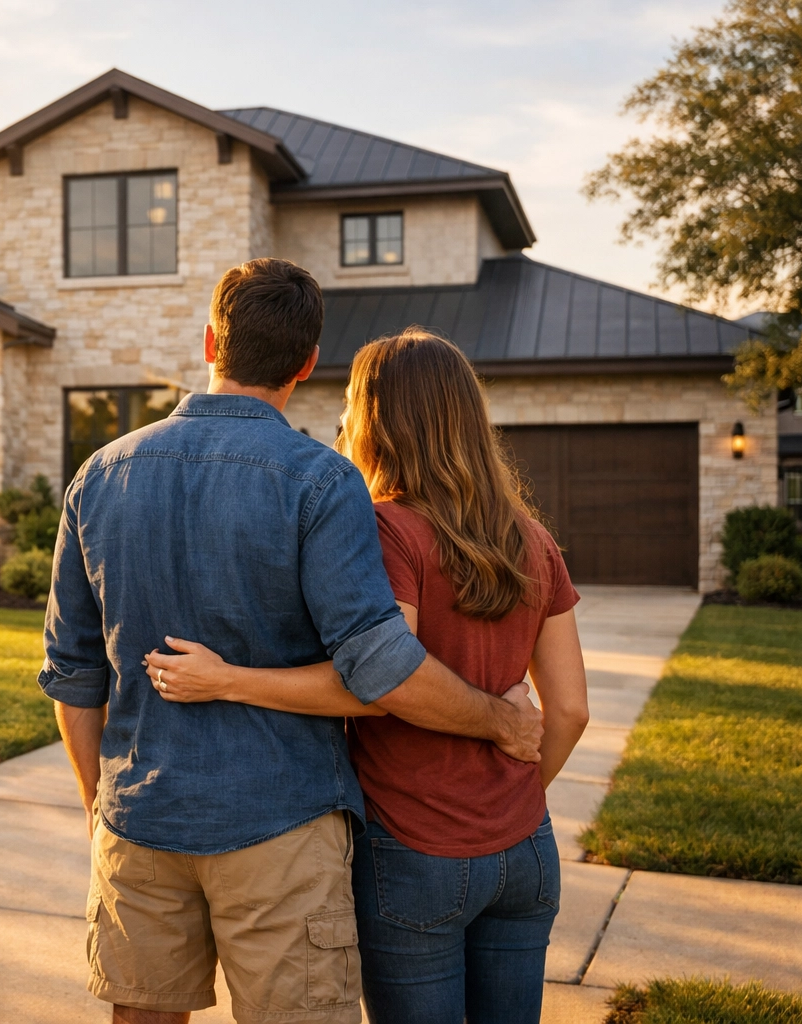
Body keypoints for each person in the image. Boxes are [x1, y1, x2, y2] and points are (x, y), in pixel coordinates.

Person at [40, 260, 545, 1024]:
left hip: (139, 822)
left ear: (210, 340)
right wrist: (502, 720)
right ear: (306, 365)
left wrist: (97, 806)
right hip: (282, 830)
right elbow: (380, 672)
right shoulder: (322, 481)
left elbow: (75, 675)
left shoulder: (98, 475)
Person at [145, 328, 590, 1024]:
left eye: (355, 405)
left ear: (378, 419)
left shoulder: (386, 531)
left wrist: (228, 679)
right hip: (526, 850)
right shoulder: (532, 539)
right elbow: (569, 713)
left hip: (411, 851)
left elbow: (385, 676)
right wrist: (509, 796)